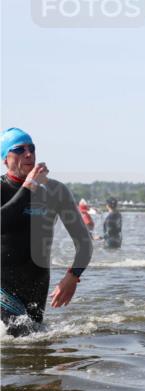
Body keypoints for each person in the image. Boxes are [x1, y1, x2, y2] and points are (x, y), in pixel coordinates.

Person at [1, 127, 92, 336]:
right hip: (3, 287)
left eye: (31, 148)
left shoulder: (56, 191)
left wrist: (73, 276)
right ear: (6, 158)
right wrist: (29, 186)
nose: (29, 154)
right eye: (19, 149)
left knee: (35, 345)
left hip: (37, 289)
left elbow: (84, 242)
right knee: (20, 339)